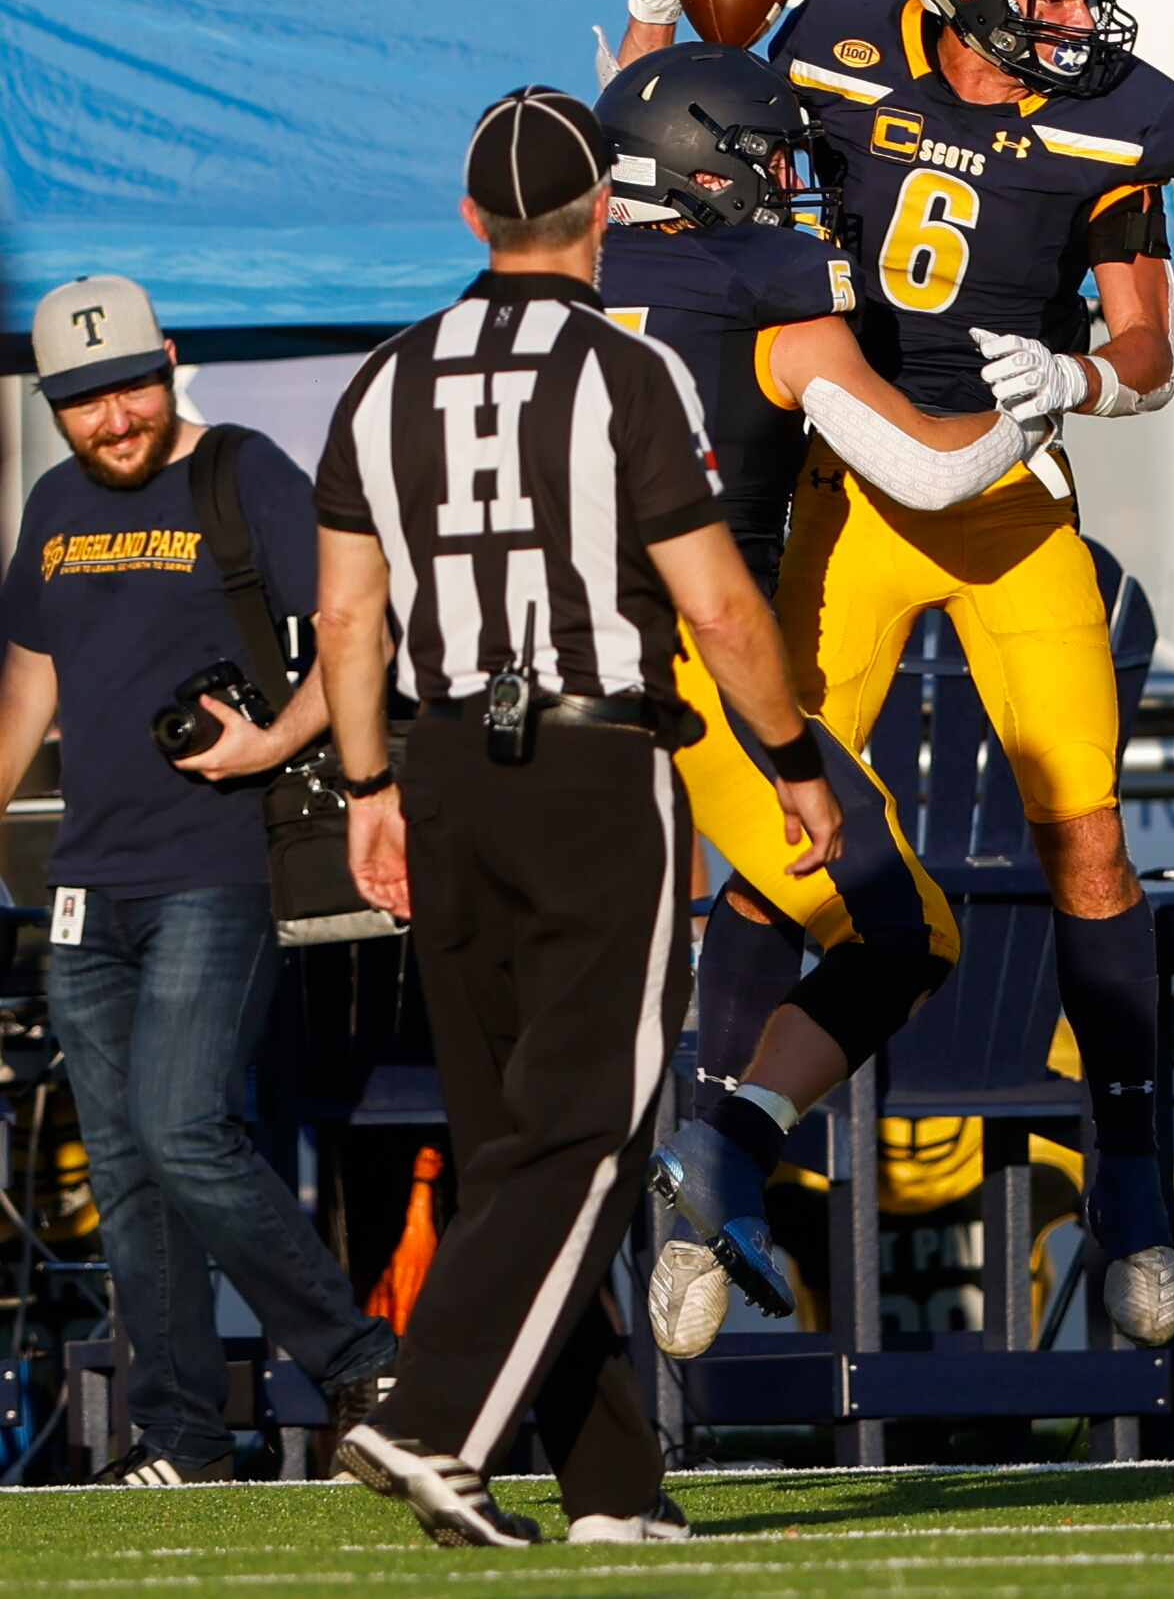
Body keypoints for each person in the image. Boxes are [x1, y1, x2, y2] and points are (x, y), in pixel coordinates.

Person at [612, 0, 1174, 1346]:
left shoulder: (1118, 126)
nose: (1079, 21)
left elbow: (1146, 352)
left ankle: (1129, 1177)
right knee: (786, 823)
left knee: (1086, 834)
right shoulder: (835, 52)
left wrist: (1071, 376)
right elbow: (684, 155)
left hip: (1008, 498)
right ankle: (716, 1169)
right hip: (850, 489)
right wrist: (657, 32)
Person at [314, 86, 843, 1547]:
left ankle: (609, 1479)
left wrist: (368, 789)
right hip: (595, 761)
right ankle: (429, 1417)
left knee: (512, 1139)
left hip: (439, 766)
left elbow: (347, 615)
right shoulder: (627, 374)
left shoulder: (383, 381)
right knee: (594, 1124)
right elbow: (722, 604)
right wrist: (794, 760)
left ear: (473, 218)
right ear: (603, 210)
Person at [589, 40, 1043, 1351]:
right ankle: (727, 1148)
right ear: (713, 173)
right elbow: (928, 471)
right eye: (769, 161)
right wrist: (1035, 410)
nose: (789, 187)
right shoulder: (774, 291)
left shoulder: (550, 282)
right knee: (904, 934)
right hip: (694, 669)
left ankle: (654, 1240)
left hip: (528, 686)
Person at [0, 275, 398, 1486]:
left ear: (169, 359)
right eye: (80, 401)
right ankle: (180, 1438)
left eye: (127, 386)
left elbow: (354, 626)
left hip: (213, 870)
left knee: (183, 1131)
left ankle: (360, 1362)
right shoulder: (54, 499)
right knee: (123, 1167)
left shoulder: (244, 470)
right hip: (85, 884)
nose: (111, 420)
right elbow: (28, 685)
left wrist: (273, 743)